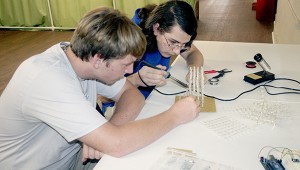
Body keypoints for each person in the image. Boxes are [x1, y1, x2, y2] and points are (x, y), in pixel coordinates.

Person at [0, 6, 200, 170]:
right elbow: (118, 144)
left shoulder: (80, 57)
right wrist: (174, 115)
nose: (129, 71)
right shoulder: (46, 79)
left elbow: (132, 95)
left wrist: (101, 135)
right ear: (99, 60)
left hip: (73, 157)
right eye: (125, 65)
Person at [100, 0, 204, 113]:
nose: (177, 51)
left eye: (183, 44)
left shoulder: (172, 31)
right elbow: (100, 97)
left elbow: (193, 53)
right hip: (123, 110)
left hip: (149, 102)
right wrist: (135, 80)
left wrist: (195, 69)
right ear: (156, 28)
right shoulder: (126, 41)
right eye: (172, 42)